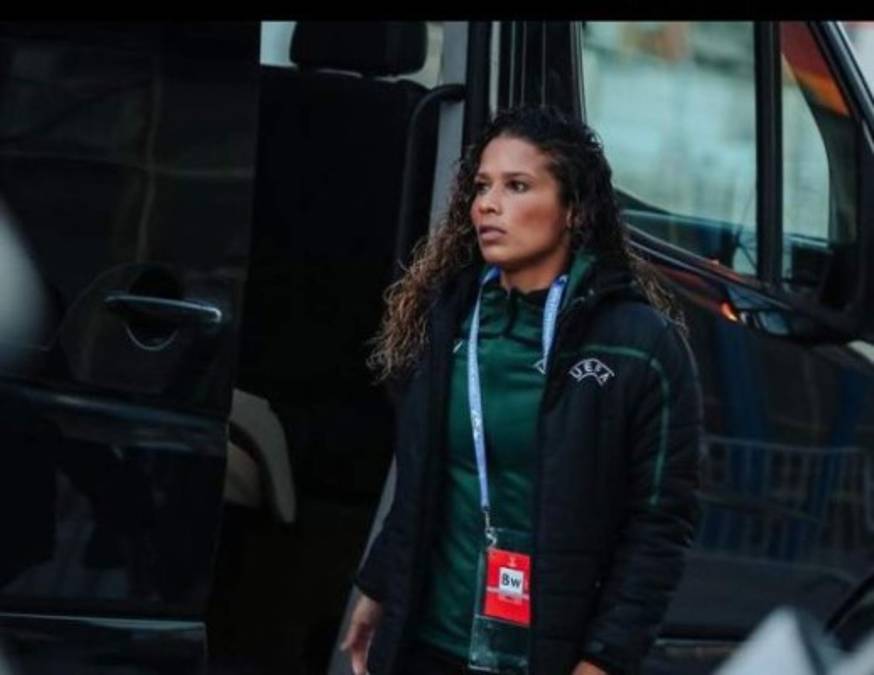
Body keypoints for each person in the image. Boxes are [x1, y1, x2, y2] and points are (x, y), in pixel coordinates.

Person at [340, 105, 702, 675]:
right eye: (482, 186)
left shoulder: (639, 345)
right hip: (427, 643)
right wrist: (379, 585)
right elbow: (423, 480)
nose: (488, 204)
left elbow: (659, 524)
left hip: (544, 655)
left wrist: (604, 659)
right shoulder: (448, 320)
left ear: (573, 210)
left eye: (517, 186)